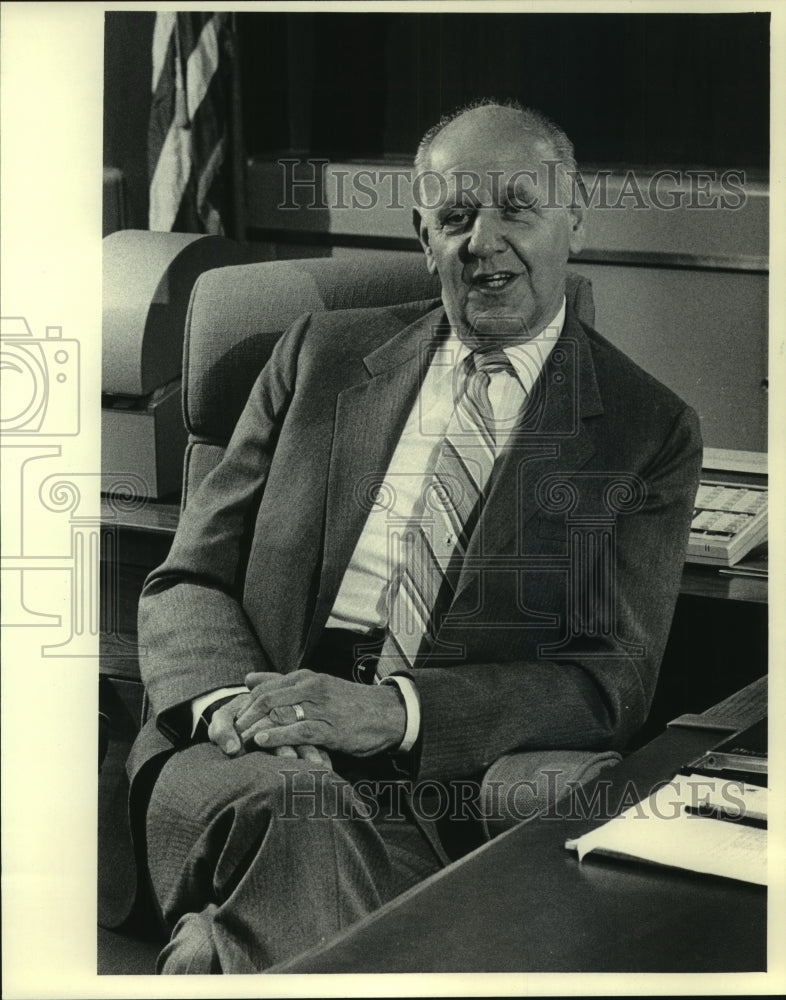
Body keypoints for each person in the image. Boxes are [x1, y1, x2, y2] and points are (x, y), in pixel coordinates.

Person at [130, 99, 702, 973]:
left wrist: (390, 715)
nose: (485, 241)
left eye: (519, 207)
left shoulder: (643, 427)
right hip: (240, 753)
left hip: (436, 786)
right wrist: (238, 712)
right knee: (299, 808)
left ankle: (221, 953)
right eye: (456, 216)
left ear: (574, 221)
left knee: (300, 860)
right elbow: (187, 583)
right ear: (420, 235)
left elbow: (606, 682)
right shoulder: (316, 357)